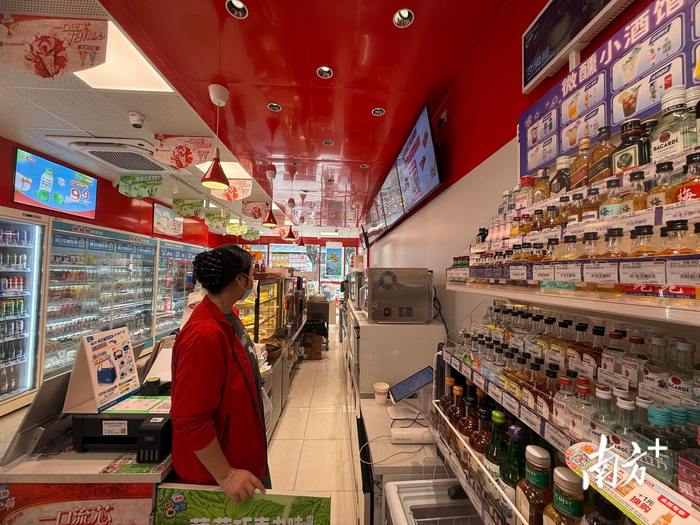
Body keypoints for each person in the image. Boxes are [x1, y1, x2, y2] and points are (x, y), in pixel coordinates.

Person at [171, 244, 270, 501]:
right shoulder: (205, 335)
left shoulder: (228, 316)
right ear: (239, 279)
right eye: (251, 274)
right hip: (219, 476)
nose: (253, 281)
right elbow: (190, 419)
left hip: (242, 458)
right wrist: (226, 475)